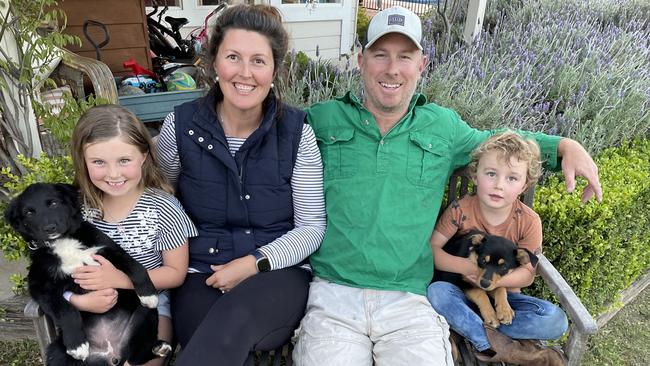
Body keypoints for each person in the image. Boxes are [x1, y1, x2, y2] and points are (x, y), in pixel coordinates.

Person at [292, 6, 601, 365]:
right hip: (334, 293)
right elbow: (263, 140)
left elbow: (499, 145)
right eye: (380, 55)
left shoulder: (442, 127)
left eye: (404, 57)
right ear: (360, 60)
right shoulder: (322, 119)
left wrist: (565, 147)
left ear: (421, 65)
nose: (392, 69)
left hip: (410, 298)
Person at [154, 4, 326, 365]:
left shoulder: (296, 134)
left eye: (258, 61)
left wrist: (254, 263)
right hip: (201, 273)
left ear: (274, 70)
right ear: (215, 62)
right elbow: (161, 200)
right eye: (233, 57)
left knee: (228, 328)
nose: (245, 73)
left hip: (277, 275)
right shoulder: (181, 126)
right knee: (218, 345)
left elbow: (312, 227)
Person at [68, 104, 197, 366]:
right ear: (83, 160)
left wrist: (122, 279)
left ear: (144, 157)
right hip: (93, 309)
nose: (113, 174)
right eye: (99, 162)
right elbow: (51, 275)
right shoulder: (75, 210)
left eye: (124, 160)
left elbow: (175, 272)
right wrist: (79, 301)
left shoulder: (163, 208)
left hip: (148, 306)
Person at [427, 132, 568, 364]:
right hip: (461, 294)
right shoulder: (460, 210)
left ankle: (474, 334)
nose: (499, 185)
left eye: (512, 178)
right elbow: (433, 250)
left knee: (555, 320)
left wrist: (496, 285)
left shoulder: (529, 221)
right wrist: (468, 267)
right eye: (491, 174)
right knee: (437, 293)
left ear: (526, 183)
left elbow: (526, 275)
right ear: (475, 174)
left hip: (505, 302)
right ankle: (509, 349)